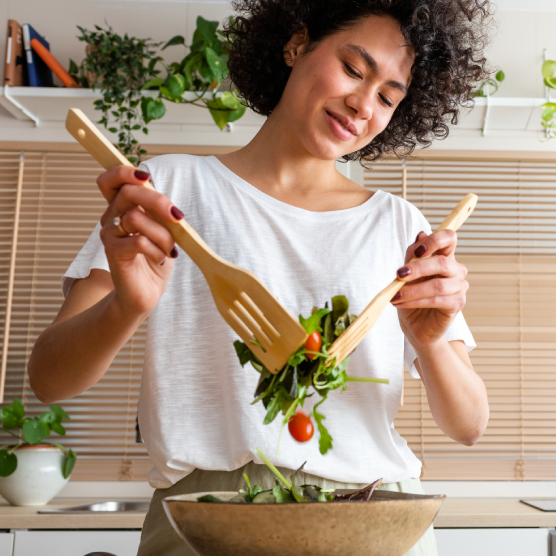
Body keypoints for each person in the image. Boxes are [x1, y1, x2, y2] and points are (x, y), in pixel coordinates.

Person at [28, 1, 492, 554]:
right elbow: (49, 381)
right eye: (352, 68)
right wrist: (125, 306)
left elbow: (469, 425)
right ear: (297, 44)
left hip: (374, 519)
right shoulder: (170, 190)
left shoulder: (398, 225)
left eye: (389, 96)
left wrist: (431, 342)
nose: (363, 104)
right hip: (207, 523)